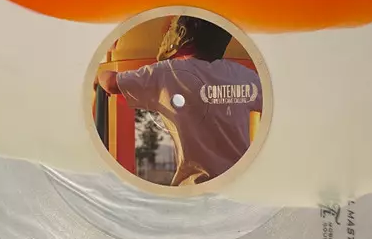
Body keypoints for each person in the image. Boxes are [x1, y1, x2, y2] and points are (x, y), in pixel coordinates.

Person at [97, 16, 262, 186]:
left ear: (183, 34)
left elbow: (110, 83)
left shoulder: (168, 73)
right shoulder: (244, 75)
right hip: (239, 184)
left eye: (171, 28)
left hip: (195, 187)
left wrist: (100, 73)